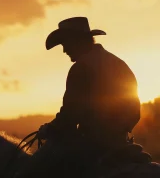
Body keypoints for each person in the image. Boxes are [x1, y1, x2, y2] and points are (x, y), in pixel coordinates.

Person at [23, 17, 143, 177]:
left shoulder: (81, 67)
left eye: (65, 44)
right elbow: (134, 110)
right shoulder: (117, 62)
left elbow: (69, 116)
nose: (65, 50)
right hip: (121, 141)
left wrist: (50, 129)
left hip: (92, 143)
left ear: (76, 41)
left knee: (35, 169)